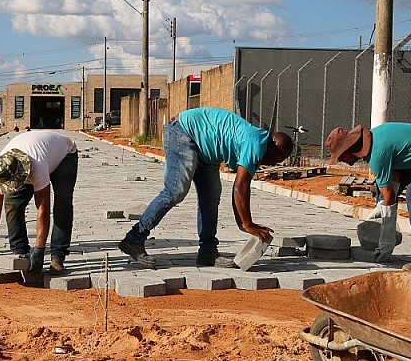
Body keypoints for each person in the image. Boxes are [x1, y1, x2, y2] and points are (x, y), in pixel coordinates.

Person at [118, 107, 293, 269]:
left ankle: (208, 252)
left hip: (207, 151)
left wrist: (244, 224)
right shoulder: (256, 143)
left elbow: (239, 188)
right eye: (274, 159)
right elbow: (241, 186)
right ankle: (134, 239)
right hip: (183, 132)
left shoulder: (259, 143)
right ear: (273, 146)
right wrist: (247, 224)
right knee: (175, 191)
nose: (271, 164)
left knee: (211, 197)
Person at [325, 121, 411, 273]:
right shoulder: (375, 141)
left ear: (350, 149)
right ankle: (379, 244)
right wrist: (381, 207)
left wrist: (387, 235)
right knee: (382, 193)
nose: (342, 161)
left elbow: (390, 195)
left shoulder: (377, 154)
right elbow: (394, 175)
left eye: (341, 156)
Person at [0, 130, 79, 275]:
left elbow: (43, 209)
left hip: (64, 156)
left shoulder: (37, 166)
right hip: (39, 153)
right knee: (12, 204)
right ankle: (20, 252)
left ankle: (57, 256)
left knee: (62, 204)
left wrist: (39, 250)